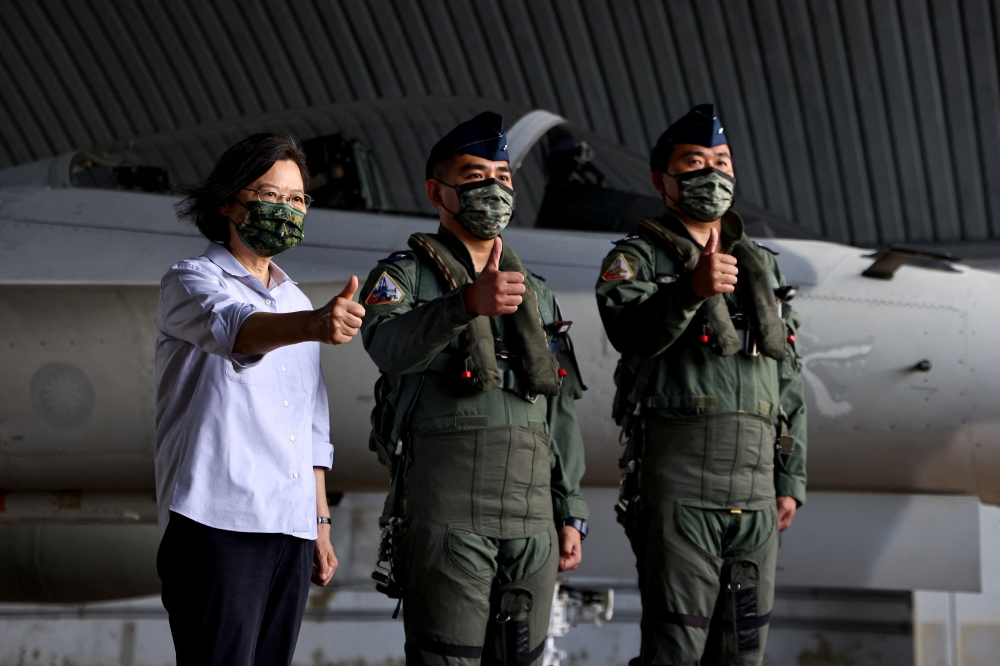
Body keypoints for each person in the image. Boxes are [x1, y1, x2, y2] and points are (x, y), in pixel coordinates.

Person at [359, 112, 589, 666]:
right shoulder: (404, 277)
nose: (494, 187)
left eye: (503, 176)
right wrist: (462, 306)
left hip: (532, 519)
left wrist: (570, 508)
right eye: (475, 174)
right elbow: (389, 349)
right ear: (437, 191)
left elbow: (558, 409)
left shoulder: (535, 293)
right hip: (448, 513)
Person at [594, 105, 807, 665]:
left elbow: (787, 378)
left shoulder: (762, 268)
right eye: (695, 163)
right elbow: (630, 333)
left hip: (756, 491)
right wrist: (688, 290)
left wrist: (790, 476)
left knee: (743, 652)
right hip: (680, 484)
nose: (712, 175)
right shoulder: (634, 261)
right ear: (663, 182)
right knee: (676, 649)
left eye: (722, 162)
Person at [154, 131, 365, 665]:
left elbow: (313, 427)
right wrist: (315, 323)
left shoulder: (293, 300)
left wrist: (319, 525)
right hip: (216, 523)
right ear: (227, 202)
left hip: (290, 529)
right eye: (270, 195)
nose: (286, 209)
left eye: (296, 199)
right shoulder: (191, 280)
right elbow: (236, 330)